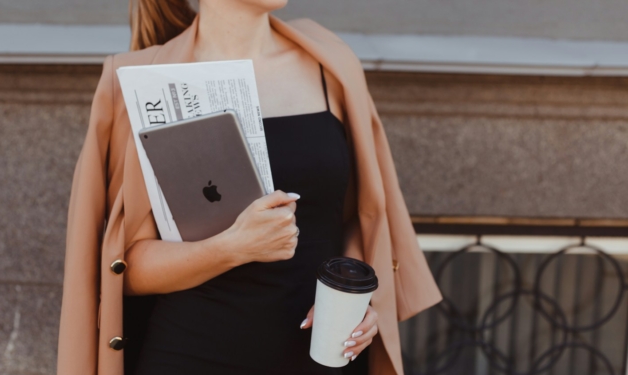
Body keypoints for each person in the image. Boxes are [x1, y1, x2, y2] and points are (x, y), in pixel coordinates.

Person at [57, 0, 442, 374]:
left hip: (321, 357)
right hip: (193, 355)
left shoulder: (331, 61)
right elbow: (126, 266)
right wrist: (232, 248)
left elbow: (356, 214)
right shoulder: (142, 77)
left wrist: (355, 296)